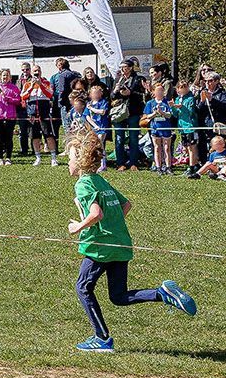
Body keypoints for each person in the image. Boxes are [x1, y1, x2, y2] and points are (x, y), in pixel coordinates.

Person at [65, 127, 197, 352]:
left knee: (83, 287)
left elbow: (96, 213)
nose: (66, 162)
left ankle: (102, 338)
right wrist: (113, 226)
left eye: (68, 157)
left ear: (79, 159)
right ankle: (162, 293)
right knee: (119, 296)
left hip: (101, 246)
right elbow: (126, 204)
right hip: (120, 243)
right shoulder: (100, 181)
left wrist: (78, 227)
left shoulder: (84, 183)